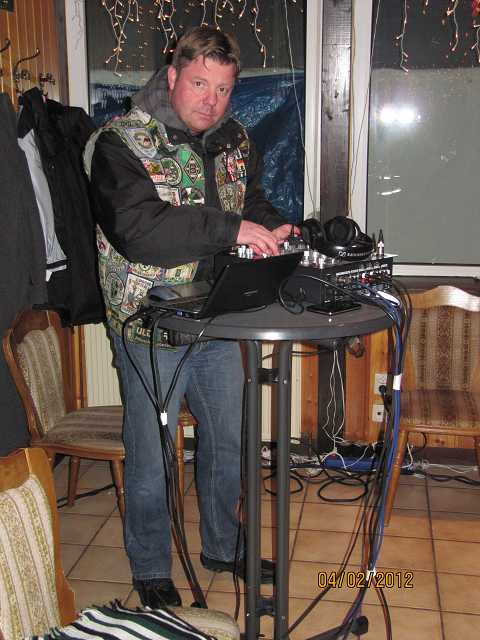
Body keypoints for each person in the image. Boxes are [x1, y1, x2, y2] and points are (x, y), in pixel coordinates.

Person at [84, 26, 297, 608]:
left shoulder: (233, 141)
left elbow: (246, 202)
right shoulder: (118, 143)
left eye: (223, 89)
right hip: (149, 328)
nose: (212, 100)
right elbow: (140, 229)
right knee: (153, 454)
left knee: (230, 443)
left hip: (218, 320)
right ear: (173, 75)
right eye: (200, 84)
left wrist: (273, 226)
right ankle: (151, 567)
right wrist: (233, 229)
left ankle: (223, 548)